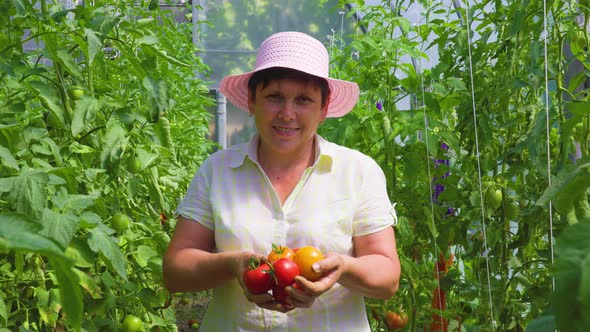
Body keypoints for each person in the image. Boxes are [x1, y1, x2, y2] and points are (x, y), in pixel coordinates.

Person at [163, 31, 401, 331]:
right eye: (274, 97)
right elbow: (175, 271)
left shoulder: (358, 171)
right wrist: (233, 265)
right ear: (251, 101)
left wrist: (342, 268)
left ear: (324, 108)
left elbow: (388, 277)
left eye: (303, 100)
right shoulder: (218, 170)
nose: (287, 114)